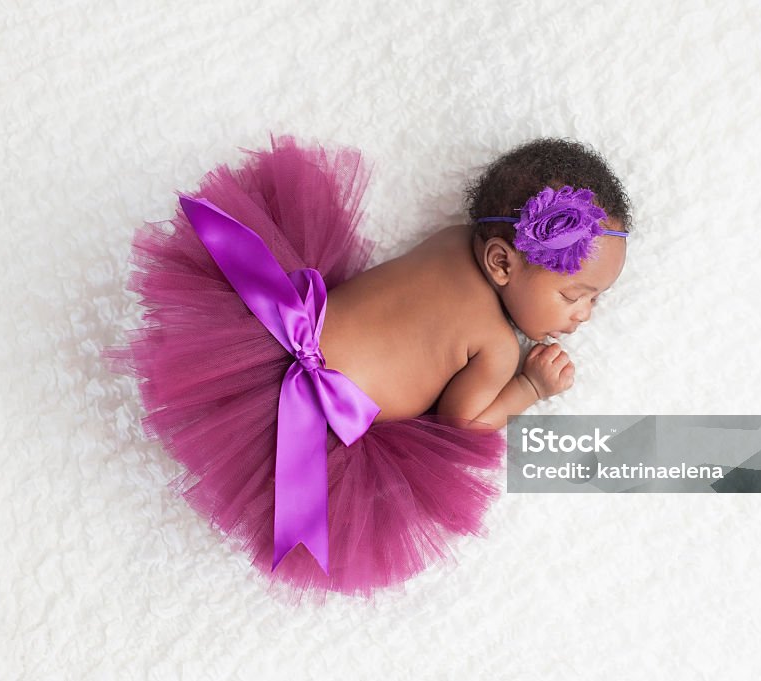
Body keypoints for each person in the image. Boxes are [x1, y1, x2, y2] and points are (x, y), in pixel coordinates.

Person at [101, 132, 631, 603]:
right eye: (573, 295)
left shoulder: (449, 241)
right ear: (501, 262)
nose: (582, 315)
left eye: (595, 301)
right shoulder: (496, 346)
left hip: (278, 329)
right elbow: (463, 423)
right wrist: (529, 388)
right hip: (322, 423)